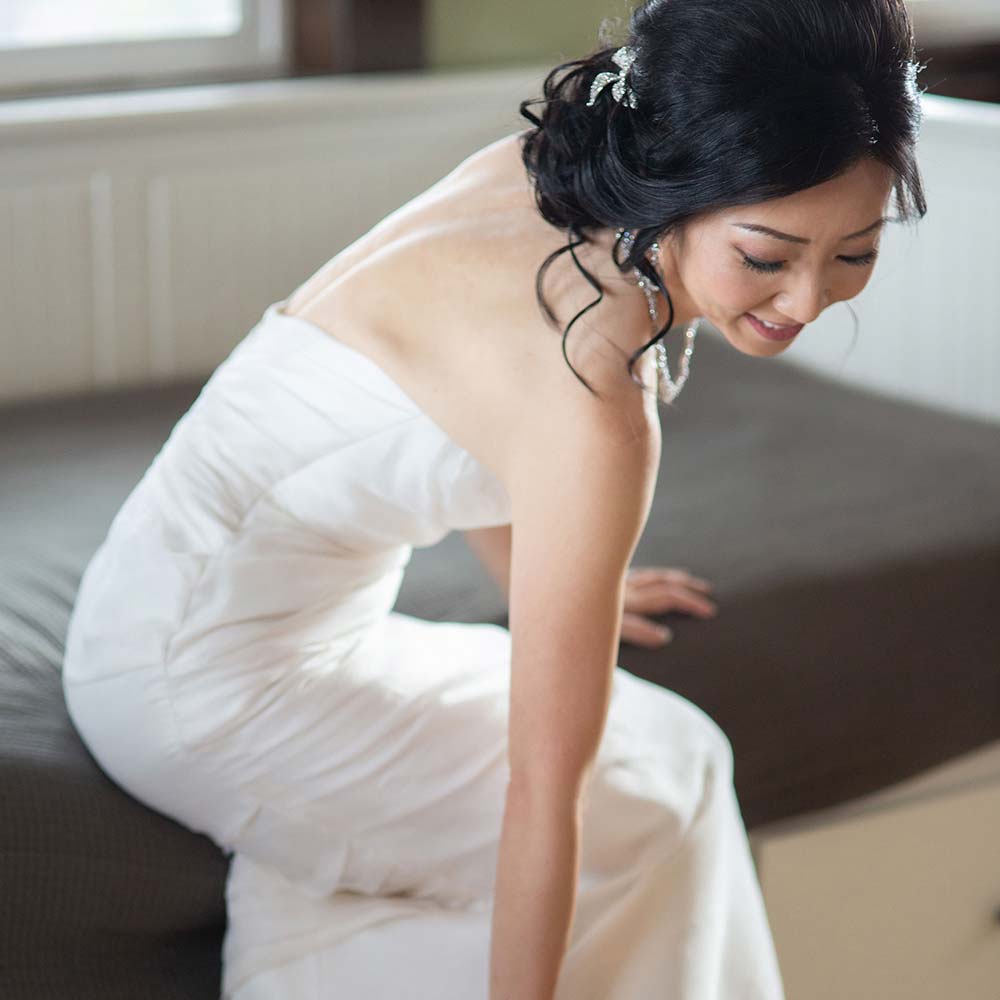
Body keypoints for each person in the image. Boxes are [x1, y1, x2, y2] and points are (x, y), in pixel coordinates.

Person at [61, 0, 927, 997]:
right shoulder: (594, 400)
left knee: (679, 753)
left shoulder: (533, 181)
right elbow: (544, 790)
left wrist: (557, 577)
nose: (805, 302)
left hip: (161, 614)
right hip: (196, 693)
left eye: (853, 254)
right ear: (674, 187)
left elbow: (456, 403)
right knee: (640, 805)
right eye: (767, 257)